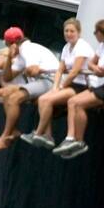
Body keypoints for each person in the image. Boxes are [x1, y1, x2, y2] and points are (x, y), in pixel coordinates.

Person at [56, 19, 104, 158]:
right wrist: (95, 68)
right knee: (73, 101)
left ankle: (75, 139)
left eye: (95, 32)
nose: (94, 35)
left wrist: (101, 70)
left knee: (75, 103)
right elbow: (91, 63)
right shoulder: (102, 46)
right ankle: (74, 140)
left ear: (100, 32)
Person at [21, 17, 92, 149]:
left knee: (45, 100)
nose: (69, 34)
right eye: (66, 31)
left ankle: (39, 133)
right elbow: (60, 70)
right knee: (41, 99)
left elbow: (75, 71)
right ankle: (46, 134)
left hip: (82, 86)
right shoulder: (66, 47)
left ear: (79, 32)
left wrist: (61, 87)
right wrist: (55, 87)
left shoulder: (82, 46)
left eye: (72, 31)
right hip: (69, 85)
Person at [0, 26, 58, 152]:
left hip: (53, 81)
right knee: (8, 91)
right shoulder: (20, 54)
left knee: (14, 98)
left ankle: (5, 137)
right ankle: (13, 130)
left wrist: (28, 70)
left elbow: (33, 70)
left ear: (12, 44)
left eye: (8, 45)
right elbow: (7, 78)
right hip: (43, 81)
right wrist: (9, 58)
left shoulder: (27, 49)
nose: (8, 48)